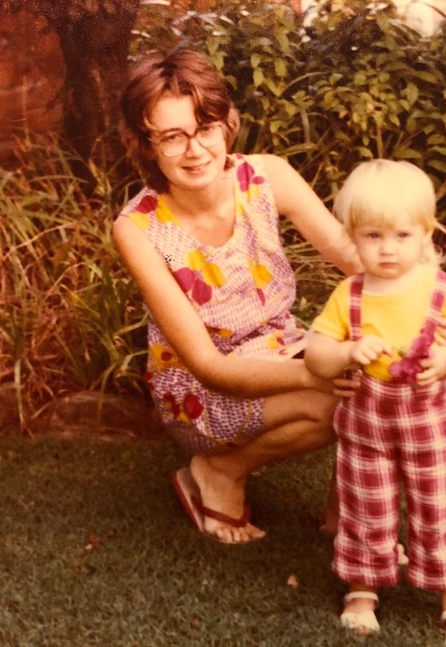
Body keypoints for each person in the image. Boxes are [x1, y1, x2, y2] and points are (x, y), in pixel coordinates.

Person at [111, 48, 362, 545]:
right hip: (199, 390)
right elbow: (207, 365)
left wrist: (439, 302)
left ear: (227, 125)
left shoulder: (266, 177)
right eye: (172, 137)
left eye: (205, 128)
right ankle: (220, 470)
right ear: (146, 145)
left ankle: (353, 521)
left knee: (374, 383)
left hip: (278, 347)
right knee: (340, 400)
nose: (195, 150)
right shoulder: (137, 227)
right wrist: (319, 370)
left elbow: (350, 254)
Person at [304, 159, 446, 646]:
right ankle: (362, 591)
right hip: (366, 423)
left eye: (401, 235)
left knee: (439, 506)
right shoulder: (348, 294)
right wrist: (347, 352)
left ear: (428, 235)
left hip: (427, 420)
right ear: (352, 235)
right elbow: (315, 354)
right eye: (372, 236)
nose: (387, 249)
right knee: (366, 504)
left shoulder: (440, 290)